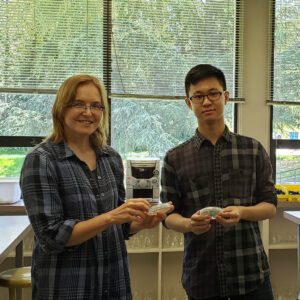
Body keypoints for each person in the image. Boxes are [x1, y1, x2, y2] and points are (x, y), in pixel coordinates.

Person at [20, 74, 172, 300]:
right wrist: (111, 217)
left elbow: (118, 228)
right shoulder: (41, 160)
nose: (88, 112)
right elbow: (51, 236)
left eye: (96, 106)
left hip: (113, 283)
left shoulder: (110, 158)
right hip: (67, 287)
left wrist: (138, 223)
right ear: (61, 108)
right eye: (78, 104)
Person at [161, 64, 277, 300]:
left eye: (213, 93)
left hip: (250, 274)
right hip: (201, 276)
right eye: (198, 96)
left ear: (225, 97)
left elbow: (270, 206)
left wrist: (242, 212)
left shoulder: (252, 149)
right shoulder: (175, 158)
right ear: (188, 102)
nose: (206, 102)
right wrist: (189, 225)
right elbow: (167, 214)